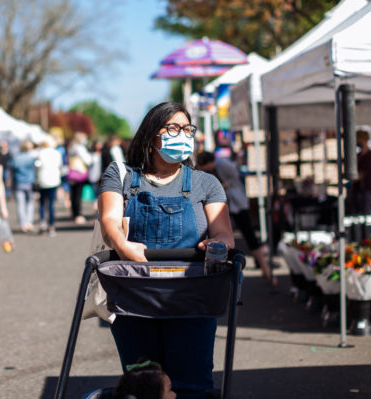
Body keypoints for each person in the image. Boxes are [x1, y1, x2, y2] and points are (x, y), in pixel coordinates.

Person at [98, 102, 234, 399]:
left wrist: (218, 243)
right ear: (151, 137)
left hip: (191, 295)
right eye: (173, 128)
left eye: (187, 129)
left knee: (191, 383)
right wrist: (122, 244)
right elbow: (109, 219)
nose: (182, 134)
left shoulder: (206, 183)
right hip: (134, 293)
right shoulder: (121, 176)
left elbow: (224, 232)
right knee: (142, 384)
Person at [196, 151, 277, 286]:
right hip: (222, 204)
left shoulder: (223, 164)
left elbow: (235, 178)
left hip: (235, 203)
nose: (209, 170)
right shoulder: (208, 170)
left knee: (249, 234)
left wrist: (221, 186)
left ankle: (266, 270)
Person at [35, 138, 63, 237]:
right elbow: (60, 166)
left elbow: (37, 165)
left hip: (42, 179)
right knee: (51, 203)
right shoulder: (56, 153)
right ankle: (51, 226)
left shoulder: (40, 153)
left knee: (42, 202)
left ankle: (43, 222)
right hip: (54, 180)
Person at [9, 140, 37, 233]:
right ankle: (29, 221)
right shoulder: (31, 158)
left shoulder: (16, 158)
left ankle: (23, 223)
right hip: (29, 182)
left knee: (20, 204)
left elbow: (11, 170)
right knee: (30, 203)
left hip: (19, 182)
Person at [347, 129, 371, 215]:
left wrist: (355, 179)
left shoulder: (370, 155)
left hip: (366, 189)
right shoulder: (358, 155)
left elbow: (365, 172)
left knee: (366, 212)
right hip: (357, 189)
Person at [67, 132, 93, 224]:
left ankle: (74, 213)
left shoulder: (72, 148)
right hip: (79, 173)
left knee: (73, 194)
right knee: (77, 194)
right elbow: (88, 160)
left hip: (72, 172)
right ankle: (78, 214)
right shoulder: (80, 148)